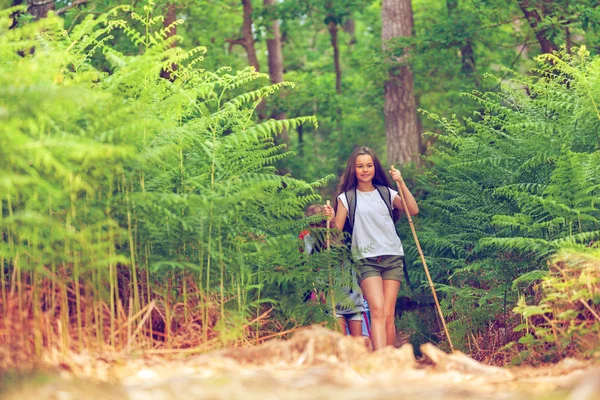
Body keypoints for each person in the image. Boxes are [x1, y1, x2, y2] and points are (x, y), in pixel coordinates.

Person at [323, 146, 419, 351]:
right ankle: (379, 359)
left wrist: (400, 182)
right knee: (376, 309)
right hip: (365, 260)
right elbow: (336, 234)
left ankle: (389, 360)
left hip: (392, 256)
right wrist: (330, 220)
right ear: (353, 169)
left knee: (387, 314)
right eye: (360, 166)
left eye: (369, 165)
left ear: (375, 168)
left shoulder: (387, 193)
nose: (365, 170)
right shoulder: (346, 198)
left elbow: (413, 209)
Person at [301, 204, 372, 350]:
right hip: (332, 300)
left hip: (352, 296)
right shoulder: (309, 240)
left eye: (319, 223)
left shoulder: (340, 235)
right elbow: (310, 264)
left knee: (358, 342)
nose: (316, 228)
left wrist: (332, 223)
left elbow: (343, 249)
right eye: (312, 224)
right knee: (340, 341)